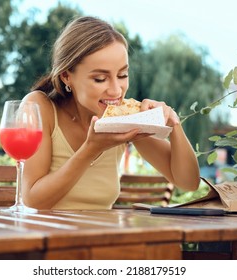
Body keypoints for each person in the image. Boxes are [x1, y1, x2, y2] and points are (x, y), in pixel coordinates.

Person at [22, 16, 200, 209]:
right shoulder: (39, 107)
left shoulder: (126, 119)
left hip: (103, 235)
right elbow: (34, 200)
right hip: (46, 236)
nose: (116, 91)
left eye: (123, 75)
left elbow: (188, 182)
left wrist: (173, 124)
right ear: (66, 76)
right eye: (100, 79)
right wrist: (91, 149)